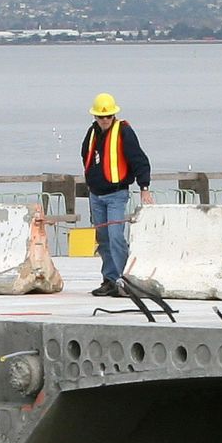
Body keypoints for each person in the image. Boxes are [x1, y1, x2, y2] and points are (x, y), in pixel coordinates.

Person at [80, 92, 154, 297]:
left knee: (115, 237)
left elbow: (139, 159)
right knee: (103, 239)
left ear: (114, 115)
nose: (104, 120)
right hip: (96, 195)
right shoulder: (92, 132)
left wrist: (144, 187)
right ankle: (110, 280)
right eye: (100, 117)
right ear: (94, 117)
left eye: (108, 116)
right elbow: (86, 155)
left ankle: (125, 279)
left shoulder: (124, 132)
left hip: (116, 195)